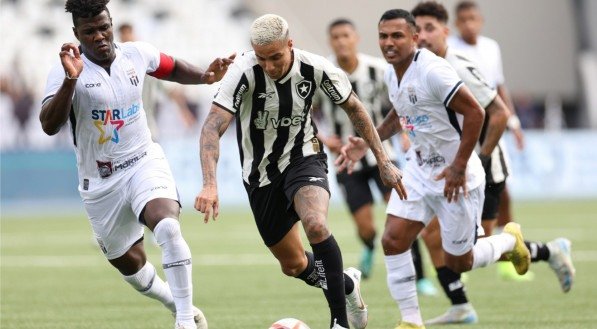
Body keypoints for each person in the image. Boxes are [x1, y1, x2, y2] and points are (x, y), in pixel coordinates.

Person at [194, 14, 405, 329]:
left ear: (290, 45)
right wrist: (210, 184)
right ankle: (345, 285)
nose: (269, 66)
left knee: (316, 225)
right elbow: (212, 126)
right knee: (293, 265)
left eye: (276, 57)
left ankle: (339, 323)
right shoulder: (244, 71)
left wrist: (384, 160)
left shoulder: (316, 68)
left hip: (304, 157)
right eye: (262, 58)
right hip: (260, 175)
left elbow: (356, 108)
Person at [40, 1, 234, 328]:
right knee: (129, 264)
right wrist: (71, 82)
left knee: (168, 227)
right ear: (76, 34)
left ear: (112, 23)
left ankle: (185, 320)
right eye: (90, 32)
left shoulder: (136, 54)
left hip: (143, 160)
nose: (100, 36)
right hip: (100, 182)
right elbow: (49, 124)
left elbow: (169, 67)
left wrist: (204, 76)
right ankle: (172, 301)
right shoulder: (64, 71)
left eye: (104, 27)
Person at [336, 9, 531, 329]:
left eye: (397, 36)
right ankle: (411, 321)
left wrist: (458, 166)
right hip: (418, 170)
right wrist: (366, 141)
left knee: (460, 261)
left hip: (456, 176)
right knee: (393, 239)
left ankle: (509, 242)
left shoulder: (433, 71)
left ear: (414, 38)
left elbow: (475, 115)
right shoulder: (391, 72)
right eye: (383, 36)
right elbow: (400, 113)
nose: (388, 43)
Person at [409, 2, 575, 325]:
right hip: (446, 165)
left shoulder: (460, 64)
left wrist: (479, 160)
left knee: (473, 250)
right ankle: (460, 305)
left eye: (430, 28)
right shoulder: (418, 67)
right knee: (430, 234)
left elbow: (498, 111)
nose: (423, 36)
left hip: (480, 164)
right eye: (418, 30)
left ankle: (549, 250)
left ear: (446, 31)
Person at [449, 0, 575, 283]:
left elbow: (498, 86)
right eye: (464, 19)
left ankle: (473, 263)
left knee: (498, 192)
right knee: (453, 205)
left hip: (486, 132)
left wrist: (514, 123)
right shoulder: (446, 50)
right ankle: (458, 264)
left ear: (480, 20)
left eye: (473, 18)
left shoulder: (490, 48)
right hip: (456, 135)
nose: (469, 24)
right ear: (456, 24)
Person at [314, 17, 436, 294]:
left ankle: (420, 277)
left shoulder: (378, 70)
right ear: (330, 41)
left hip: (383, 156)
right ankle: (369, 246)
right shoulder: (324, 73)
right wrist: (323, 138)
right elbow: (305, 112)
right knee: (366, 227)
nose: (341, 41)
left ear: (356, 38)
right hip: (347, 160)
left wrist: (405, 134)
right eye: (336, 37)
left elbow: (399, 105)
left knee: (402, 215)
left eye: (346, 35)